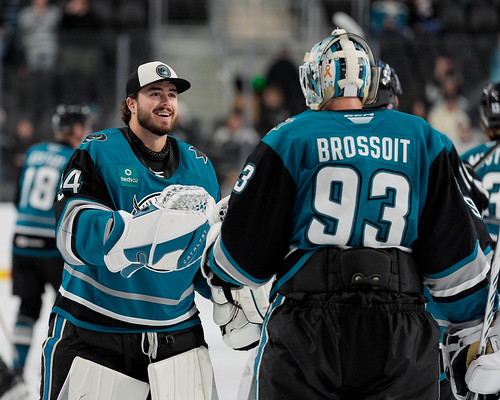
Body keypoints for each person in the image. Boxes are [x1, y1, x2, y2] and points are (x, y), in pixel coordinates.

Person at [202, 29, 494, 399]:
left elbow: (241, 264)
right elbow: (453, 264)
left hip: (306, 325)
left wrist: (217, 248)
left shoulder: (289, 137)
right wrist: (474, 326)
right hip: (400, 328)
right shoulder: (421, 136)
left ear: (316, 79)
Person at [39, 61, 221, 400]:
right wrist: (137, 233)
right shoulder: (98, 150)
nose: (166, 102)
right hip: (95, 332)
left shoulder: (200, 167)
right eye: (155, 93)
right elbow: (72, 230)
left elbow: (200, 257)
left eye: (172, 94)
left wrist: (228, 283)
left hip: (177, 339)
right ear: (131, 104)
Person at [11, 104, 91, 377]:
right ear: (76, 129)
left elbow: (17, 199)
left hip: (21, 242)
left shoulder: (33, 152)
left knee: (27, 308)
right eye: (85, 127)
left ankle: (17, 369)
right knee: (69, 307)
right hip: (54, 247)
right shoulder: (76, 158)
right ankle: (62, 367)